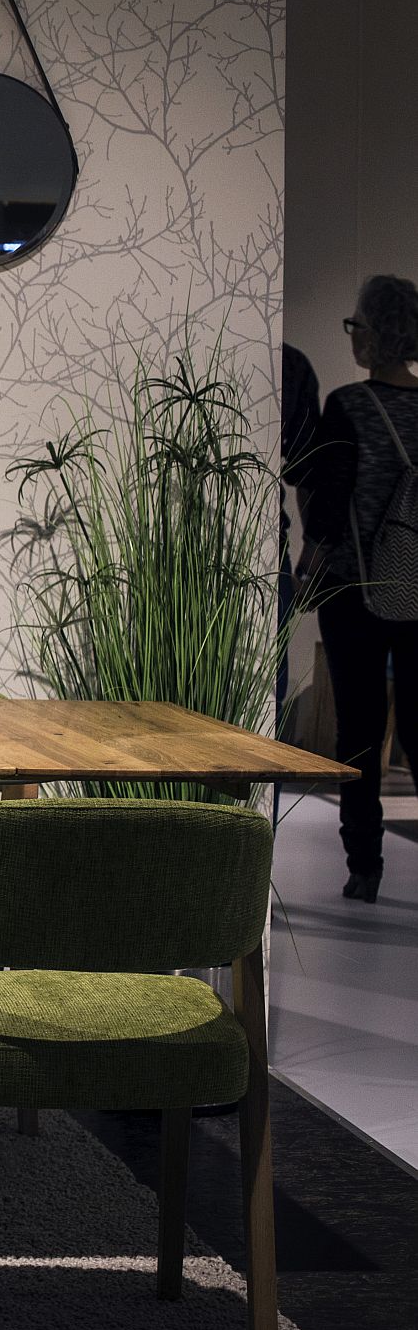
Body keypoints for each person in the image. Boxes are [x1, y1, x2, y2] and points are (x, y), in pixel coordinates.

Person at [293, 273, 418, 900]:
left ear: (377, 334)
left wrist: (306, 572)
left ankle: (364, 868)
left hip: (356, 591)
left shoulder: (349, 405)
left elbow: (329, 503)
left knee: (360, 735)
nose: (354, 337)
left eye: (357, 326)